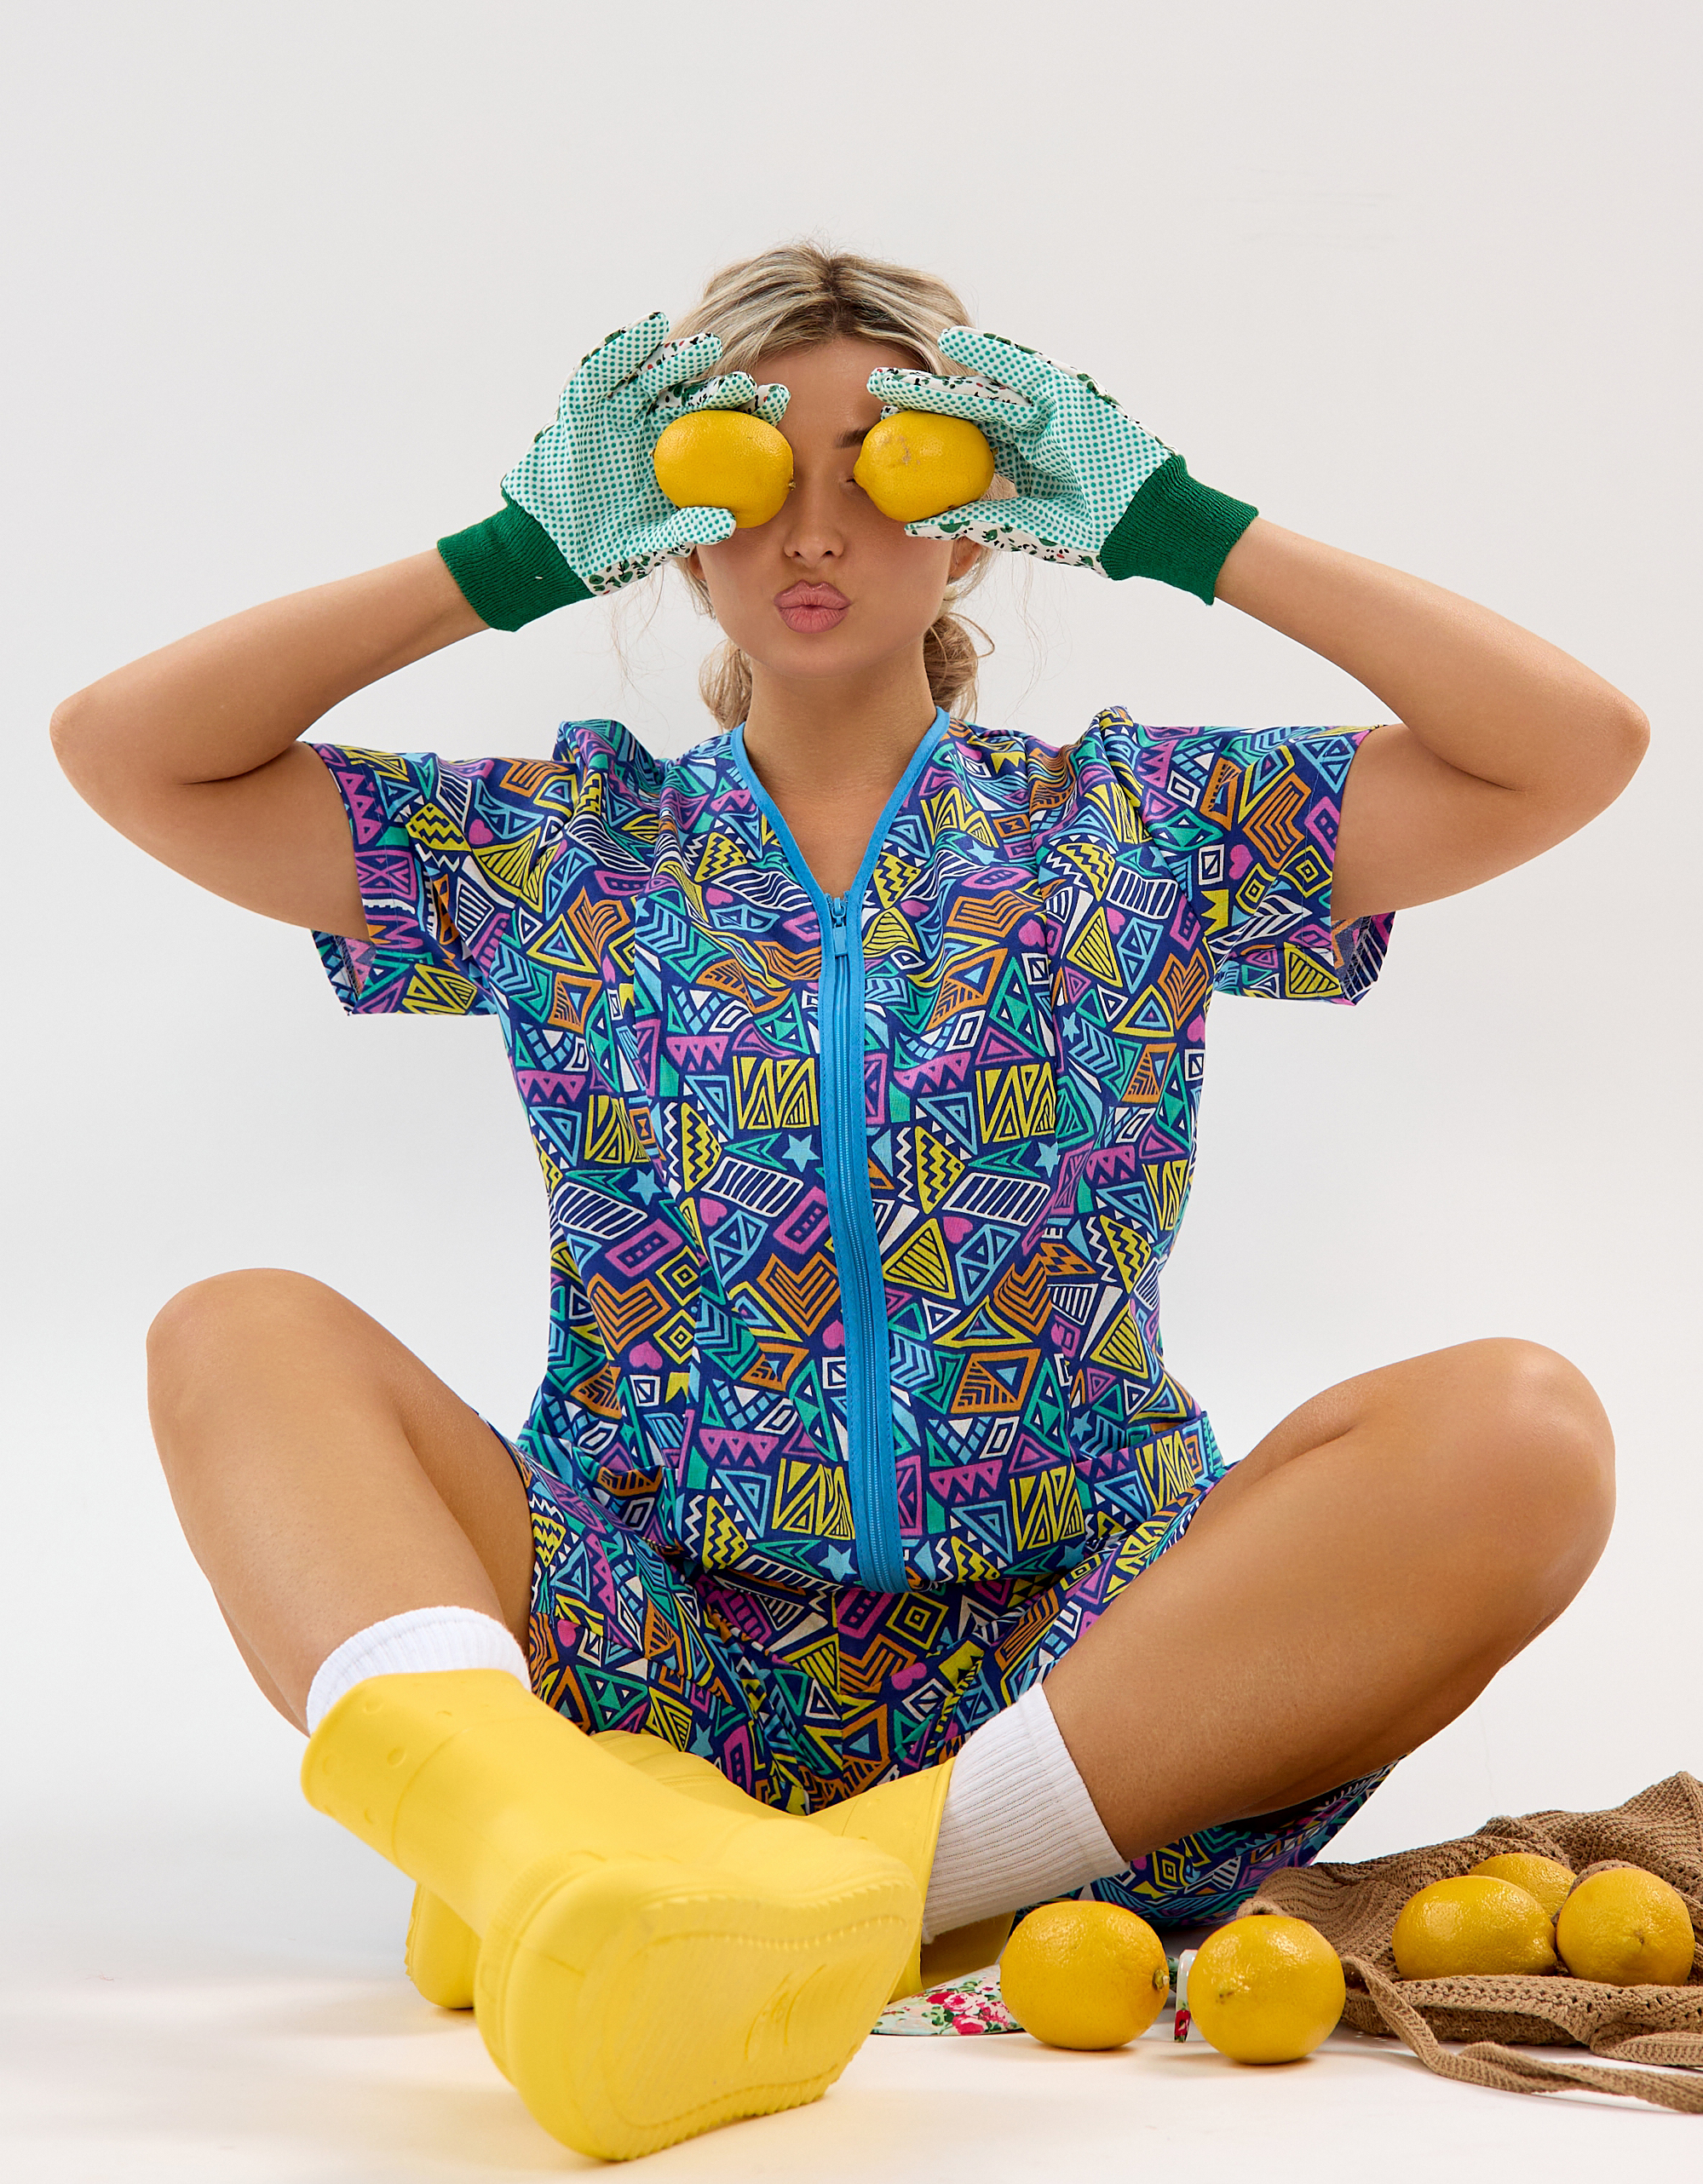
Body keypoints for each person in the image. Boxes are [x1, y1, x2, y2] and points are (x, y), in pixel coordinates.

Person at [51, 243, 1642, 2159]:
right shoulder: (556, 848)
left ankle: (856, 1886)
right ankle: (543, 1839)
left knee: (1523, 1427)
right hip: (642, 1667)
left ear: (976, 523)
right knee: (235, 1330)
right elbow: (126, 750)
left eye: (886, 472)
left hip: (1094, 1690)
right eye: (749, 477)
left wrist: (1169, 522)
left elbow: (1571, 747)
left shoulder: (1142, 828)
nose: (813, 530)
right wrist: (509, 556)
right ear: (668, 530)